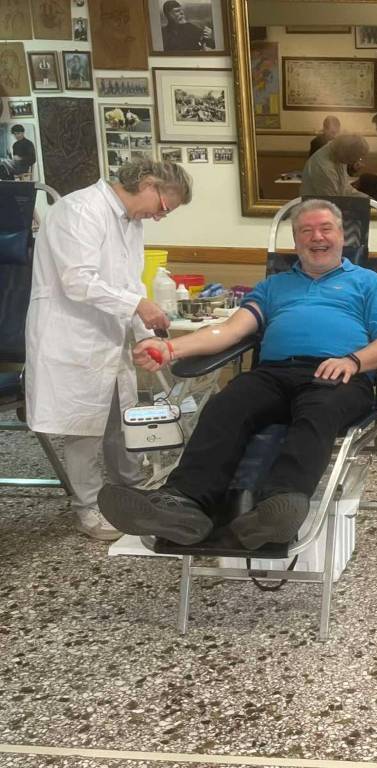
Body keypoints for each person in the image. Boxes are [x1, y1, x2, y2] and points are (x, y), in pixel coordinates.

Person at [98, 199, 377, 550]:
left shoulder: (368, 283)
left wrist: (353, 360)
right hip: (273, 373)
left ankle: (278, 506)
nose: (317, 237)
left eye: (326, 229)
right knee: (226, 405)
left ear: (342, 236)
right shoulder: (274, 287)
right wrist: (170, 348)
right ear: (295, 240)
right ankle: (184, 504)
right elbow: (230, 331)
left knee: (319, 411)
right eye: (306, 230)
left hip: (338, 375)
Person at [24, 160, 192, 540]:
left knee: (120, 419)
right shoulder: (80, 210)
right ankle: (88, 508)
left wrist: (144, 334)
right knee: (83, 428)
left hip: (108, 335)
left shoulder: (130, 223)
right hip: (73, 337)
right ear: (148, 183)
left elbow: (130, 284)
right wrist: (137, 306)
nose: (160, 216)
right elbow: (78, 280)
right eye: (164, 206)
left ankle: (130, 492)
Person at [299, 133, 369, 198]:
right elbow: (332, 201)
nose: (354, 162)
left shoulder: (338, 153)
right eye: (352, 159)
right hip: (317, 206)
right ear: (344, 152)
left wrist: (366, 198)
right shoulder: (324, 167)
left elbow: (344, 188)